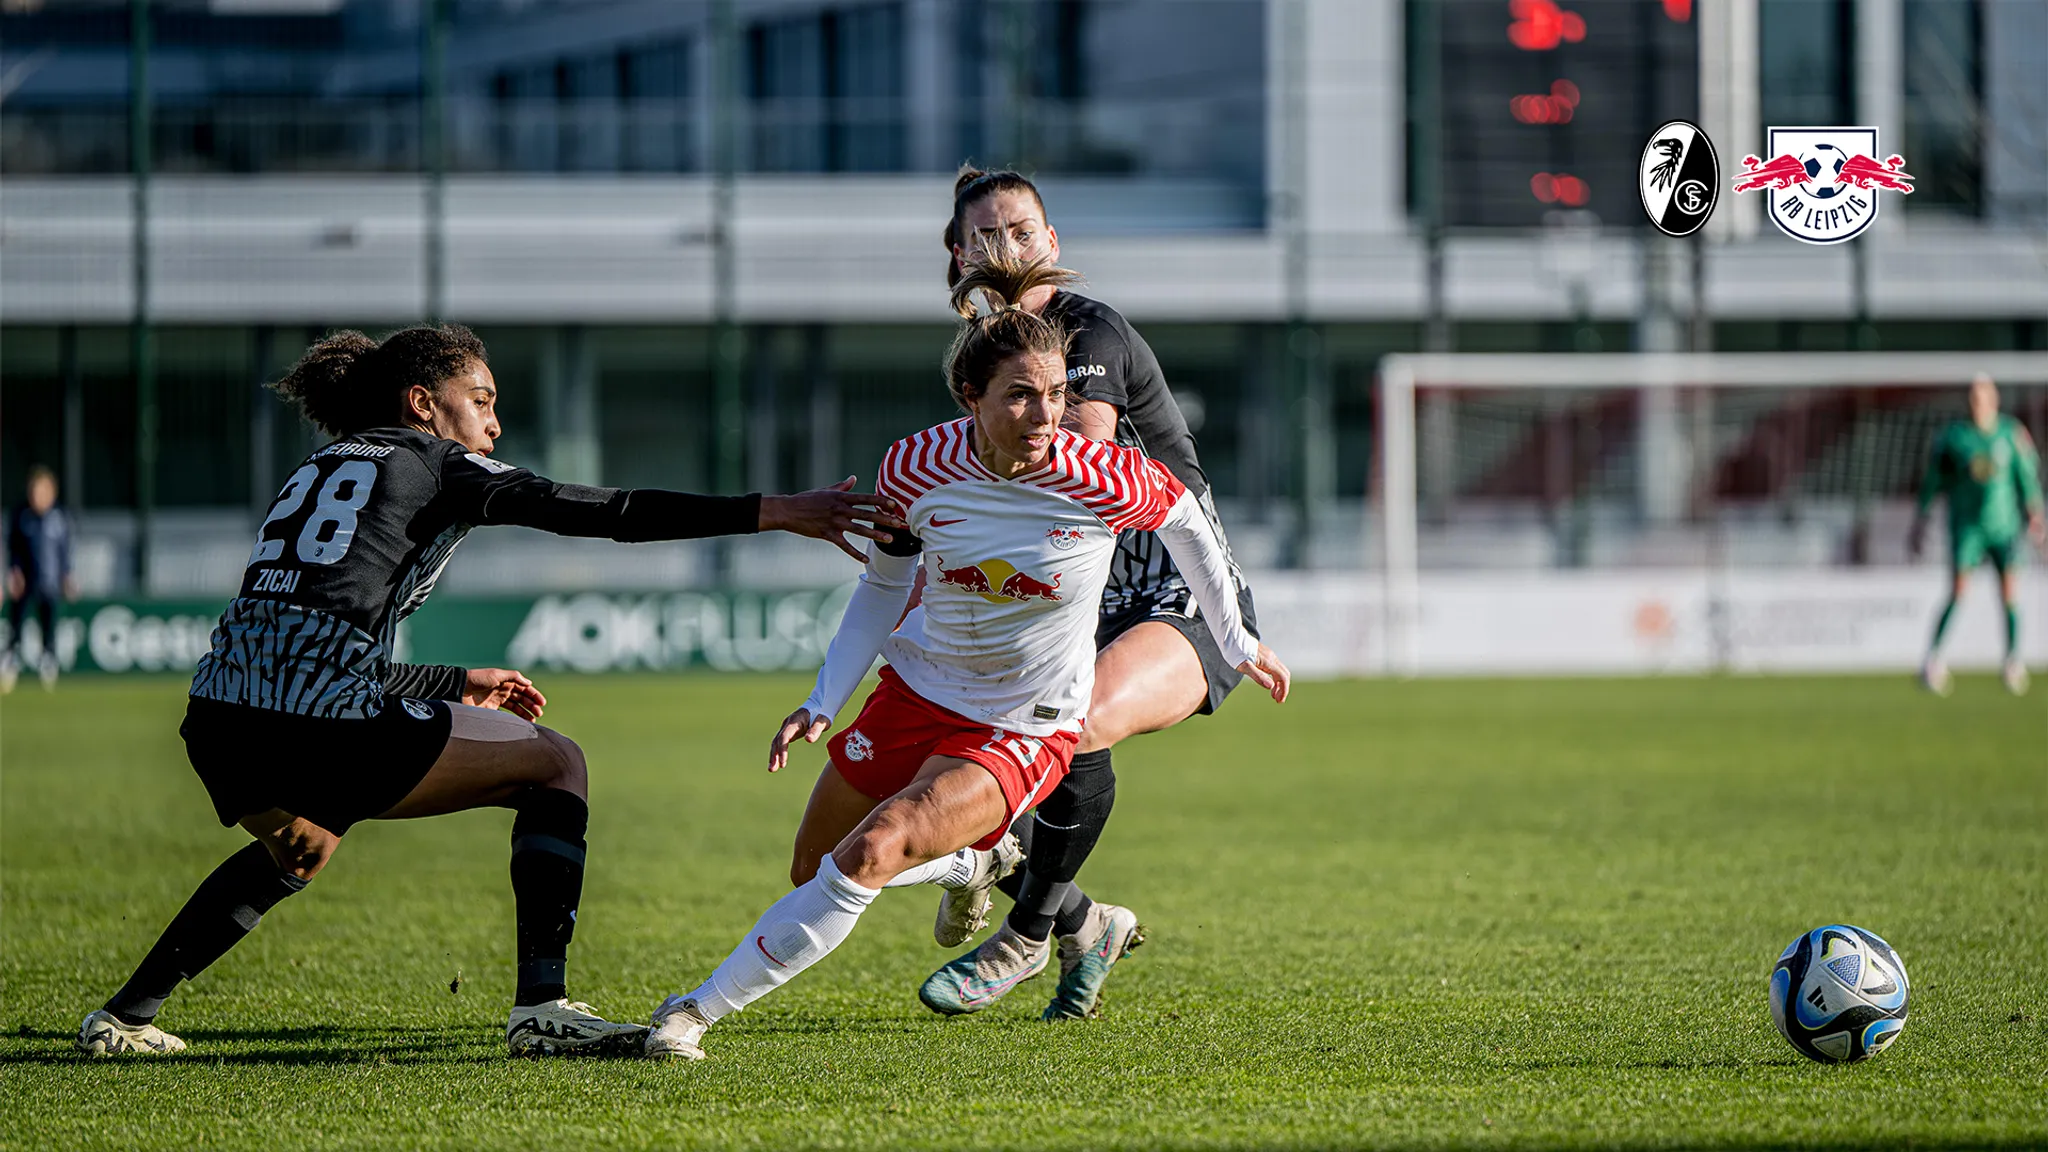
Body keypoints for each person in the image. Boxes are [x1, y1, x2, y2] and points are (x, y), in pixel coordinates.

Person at [75, 323, 903, 1058]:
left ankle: (125, 1015)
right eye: (480, 399)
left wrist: (453, 680)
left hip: (218, 719)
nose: (494, 423)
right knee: (556, 765)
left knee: (303, 844)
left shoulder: (323, 467)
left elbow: (308, 640)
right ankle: (542, 1009)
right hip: (319, 720)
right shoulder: (436, 463)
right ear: (422, 403)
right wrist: (776, 510)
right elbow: (599, 511)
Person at [639, 249, 1289, 1062]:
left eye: (1056, 393)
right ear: (969, 397)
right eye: (1021, 395)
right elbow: (884, 584)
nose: (1046, 414)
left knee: (873, 851)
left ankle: (690, 1016)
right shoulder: (916, 466)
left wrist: (1236, 639)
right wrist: (821, 698)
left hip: (1027, 721)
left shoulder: (1102, 473)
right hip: (917, 691)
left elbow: (1188, 522)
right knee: (812, 869)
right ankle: (964, 867)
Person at [914, 167, 1263, 1021]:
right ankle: (1082, 919)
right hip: (1072, 596)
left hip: (1179, 593)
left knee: (1077, 721)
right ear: (958, 255)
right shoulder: (980, 361)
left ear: (1053, 243)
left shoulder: (1086, 328)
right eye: (989, 235)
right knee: (973, 743)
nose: (1009, 248)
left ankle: (1026, 933)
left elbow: (1086, 462)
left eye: (1024, 230)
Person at [1910, 372, 2046, 696]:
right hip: (1967, 528)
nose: (1977, 403)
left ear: (1994, 400)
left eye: (1983, 396)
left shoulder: (2011, 435)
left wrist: (2035, 514)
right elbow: (1933, 481)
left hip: (2004, 528)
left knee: (2010, 594)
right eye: (1972, 397)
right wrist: (1921, 518)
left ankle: (2012, 661)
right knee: (1958, 591)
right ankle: (1933, 659)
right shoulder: (1955, 438)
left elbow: (2026, 478)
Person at [3, 464, 76, 693]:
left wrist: (68, 575)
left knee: (48, 625)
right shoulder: (21, 516)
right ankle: (10, 664)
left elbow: (65, 551)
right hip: (25, 581)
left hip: (49, 582)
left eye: (43, 492)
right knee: (17, 624)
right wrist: (13, 572)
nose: (38, 497)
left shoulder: (59, 517)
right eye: (34, 492)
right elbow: (13, 549)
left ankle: (48, 664)